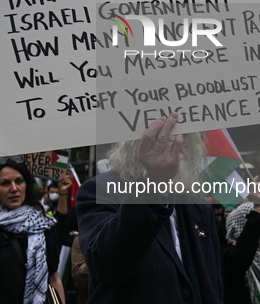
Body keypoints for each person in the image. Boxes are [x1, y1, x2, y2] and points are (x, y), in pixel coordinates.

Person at [76, 112, 224, 303]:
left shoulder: (199, 206)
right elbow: (107, 267)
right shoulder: (100, 190)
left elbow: (214, 285)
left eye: (183, 134)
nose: (174, 140)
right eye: (163, 131)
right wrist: (153, 182)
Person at [0, 156, 65, 304]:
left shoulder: (43, 224)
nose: (14, 188)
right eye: (5, 183)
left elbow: (53, 277)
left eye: (19, 181)